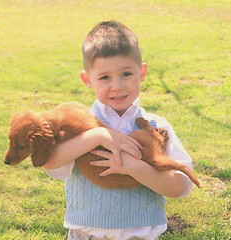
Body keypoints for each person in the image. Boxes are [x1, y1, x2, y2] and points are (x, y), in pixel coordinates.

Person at [43, 20, 194, 240]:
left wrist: (134, 167)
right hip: (86, 234)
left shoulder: (155, 126)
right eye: (104, 77)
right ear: (87, 80)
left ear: (142, 72)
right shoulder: (78, 124)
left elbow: (179, 187)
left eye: (126, 74)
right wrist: (97, 135)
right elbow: (50, 162)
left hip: (139, 235)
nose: (117, 86)